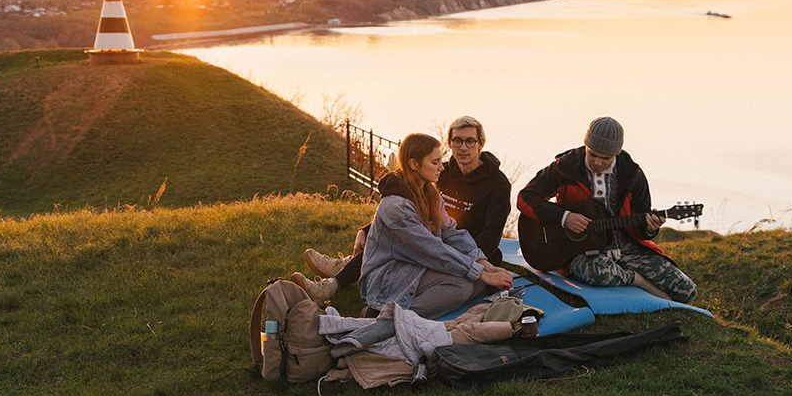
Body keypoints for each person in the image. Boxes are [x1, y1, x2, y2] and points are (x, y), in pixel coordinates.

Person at [292, 116, 513, 302]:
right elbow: (404, 191)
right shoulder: (443, 171)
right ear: (450, 143)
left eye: (470, 141)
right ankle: (338, 278)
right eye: (457, 141)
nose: (463, 147)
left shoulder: (498, 184)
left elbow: (489, 238)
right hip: (433, 238)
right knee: (403, 237)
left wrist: (477, 264)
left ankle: (351, 272)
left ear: (481, 144)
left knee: (420, 246)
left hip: (470, 246)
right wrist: (366, 229)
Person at [517, 117, 697, 303]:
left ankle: (624, 275)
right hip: (579, 254)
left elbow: (640, 229)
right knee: (600, 271)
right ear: (585, 145)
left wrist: (650, 228)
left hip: (626, 249)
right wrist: (565, 217)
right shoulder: (564, 168)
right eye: (593, 154)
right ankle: (637, 280)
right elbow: (525, 198)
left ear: (616, 153)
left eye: (605, 158)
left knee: (686, 290)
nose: (598, 162)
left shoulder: (632, 174)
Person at [356, 133, 513, 319]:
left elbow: (451, 233)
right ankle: (389, 317)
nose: (441, 167)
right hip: (388, 276)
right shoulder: (395, 207)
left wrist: (486, 265)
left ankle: (398, 309)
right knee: (463, 285)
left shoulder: (430, 193)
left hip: (416, 265)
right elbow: (431, 249)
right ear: (414, 164)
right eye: (435, 162)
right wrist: (481, 273)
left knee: (478, 282)